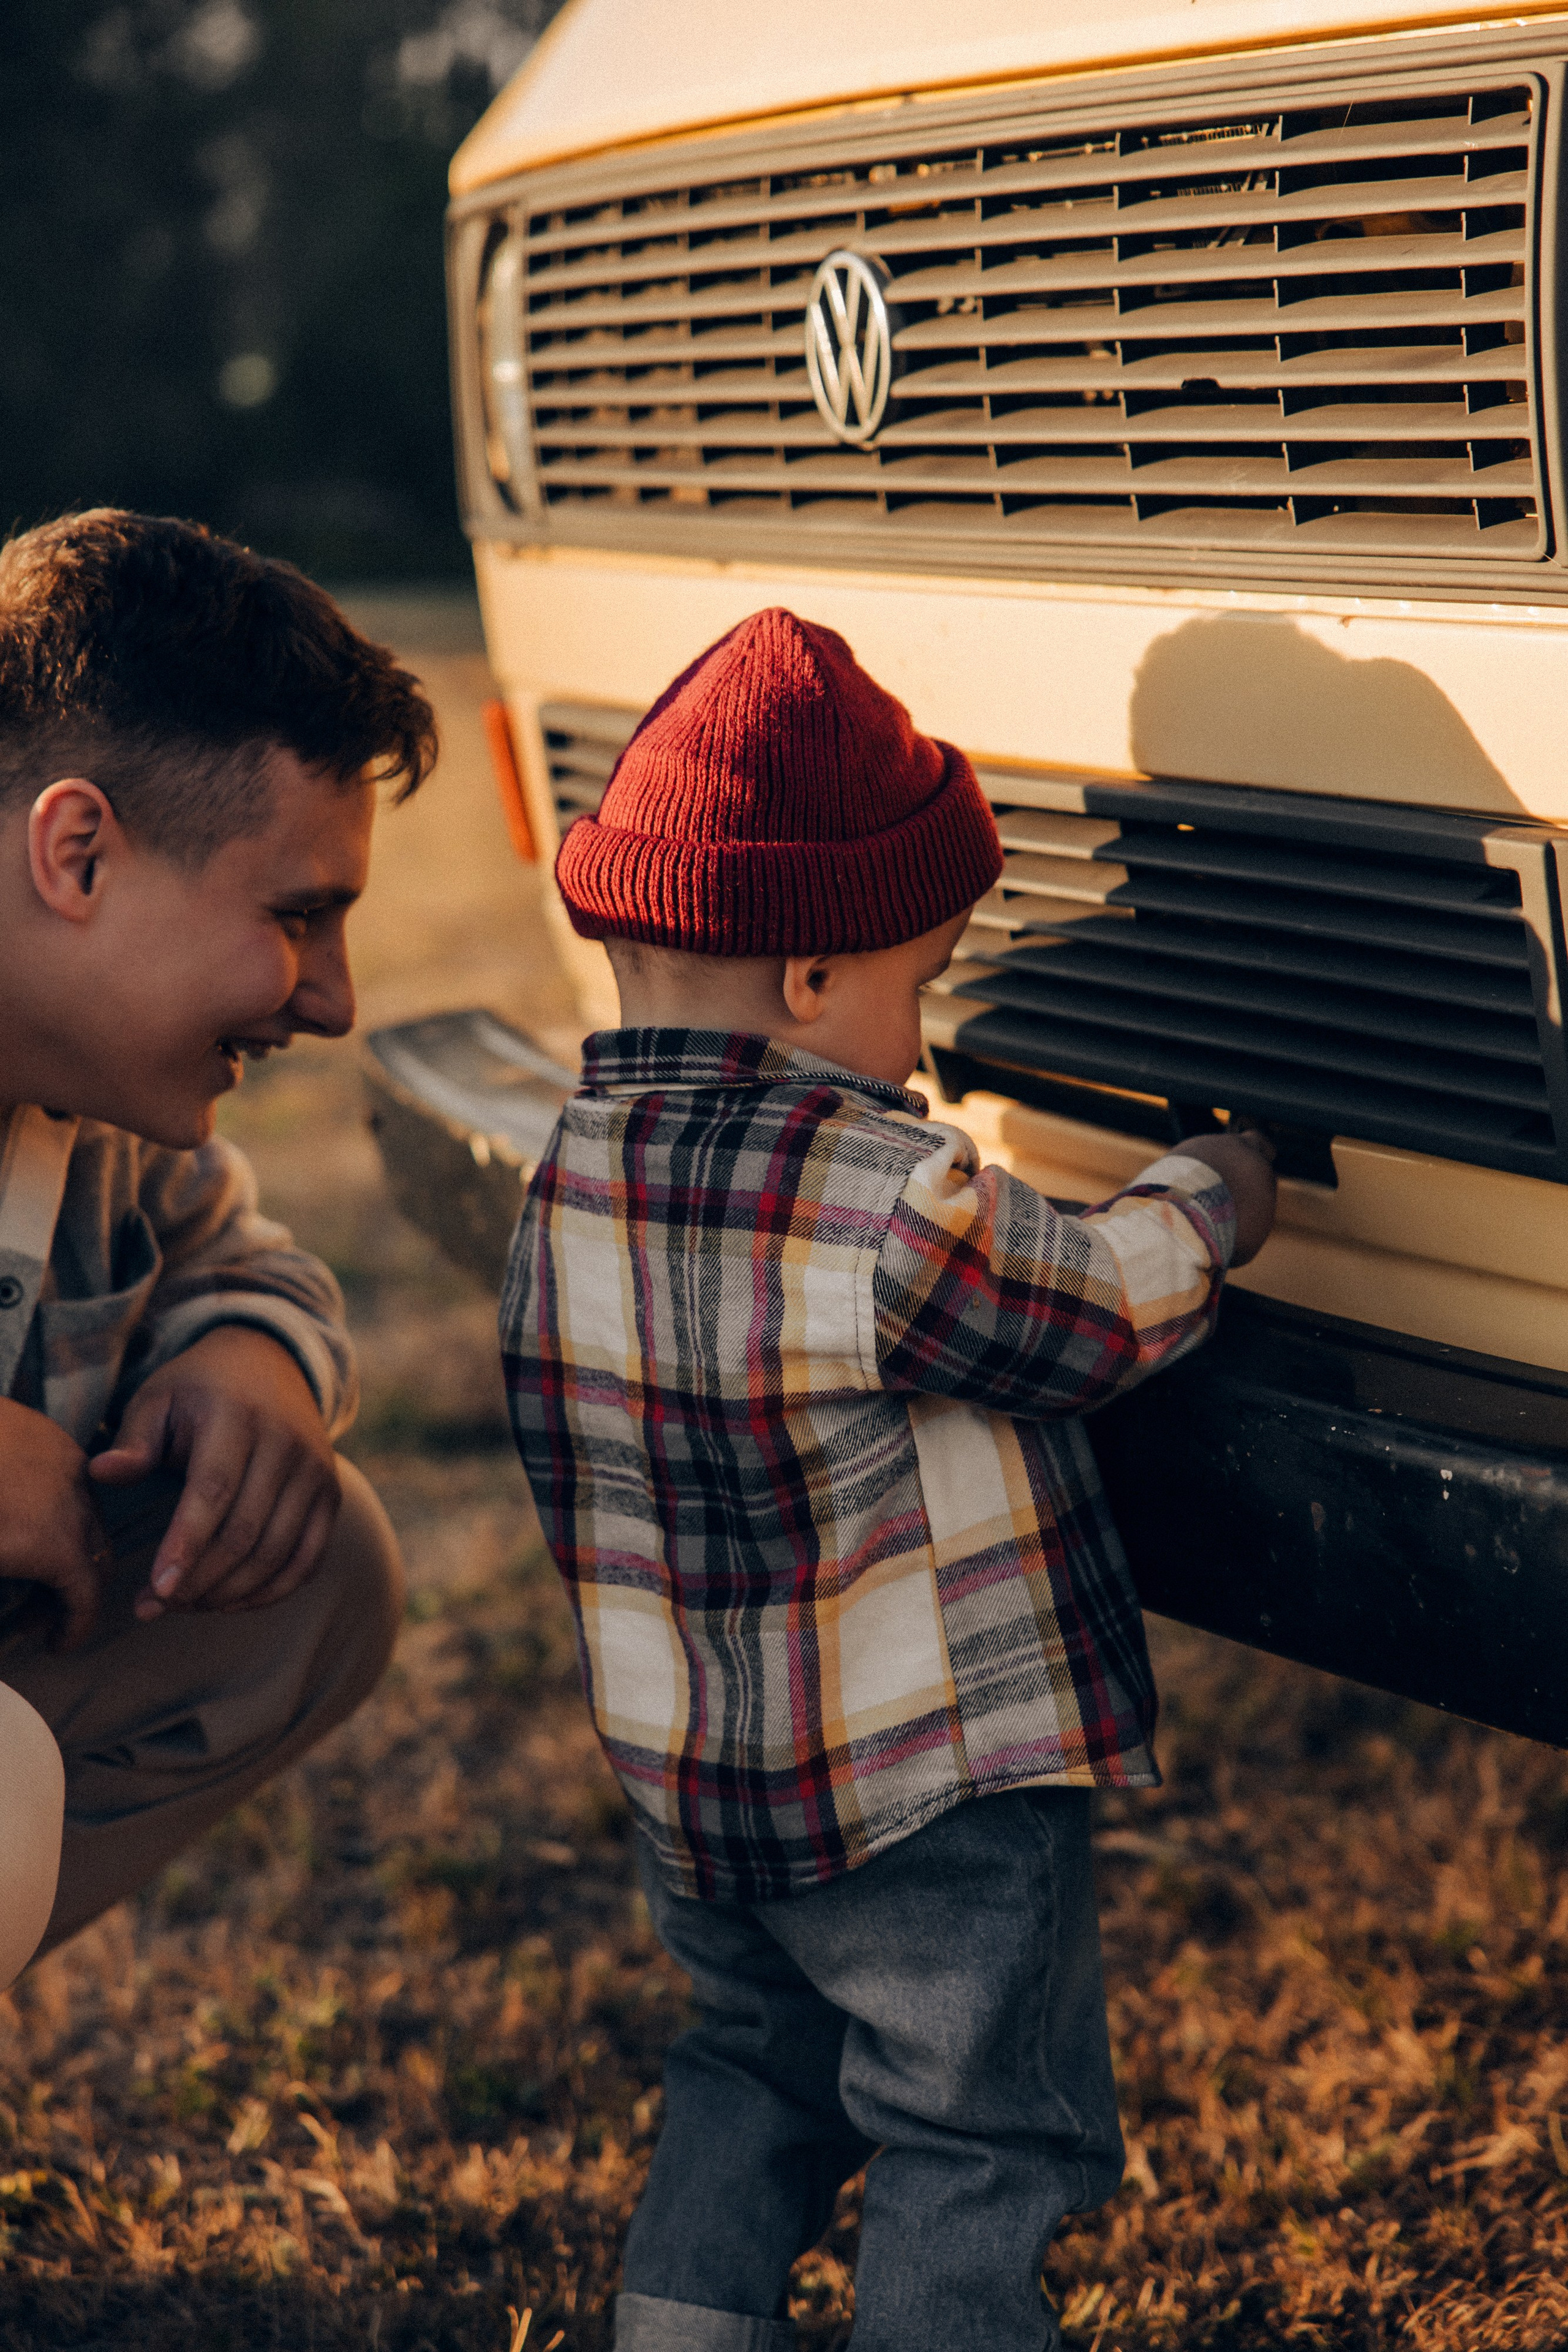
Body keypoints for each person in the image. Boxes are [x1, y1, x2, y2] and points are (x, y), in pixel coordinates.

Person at [500, 608, 1278, 2352]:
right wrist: (1206, 1197)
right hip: (923, 1800)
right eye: (916, 985)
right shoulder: (874, 1198)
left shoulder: (562, 1183)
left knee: (748, 2072)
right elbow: (1088, 1318)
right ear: (808, 978)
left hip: (700, 1801)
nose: (920, 1046)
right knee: (972, 2134)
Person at [0, 507, 436, 1976]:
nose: (331, 1000)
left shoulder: (92, 1114)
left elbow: (228, 1248)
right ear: (78, 855)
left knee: (313, 1566)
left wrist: (253, 1360)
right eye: (298, 916)